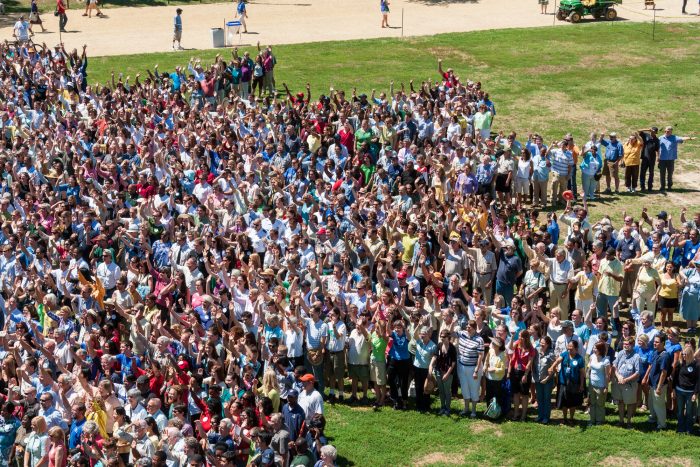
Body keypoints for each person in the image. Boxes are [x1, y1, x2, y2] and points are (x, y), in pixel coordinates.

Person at [549, 340, 585, 425]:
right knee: (564, 401)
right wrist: (552, 367)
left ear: (576, 348)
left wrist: (581, 385)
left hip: (574, 384)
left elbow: (582, 373)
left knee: (572, 402)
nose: (569, 349)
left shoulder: (579, 358)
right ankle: (564, 418)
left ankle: (571, 418)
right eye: (568, 347)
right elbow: (558, 361)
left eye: (571, 348)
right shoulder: (565, 354)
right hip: (563, 382)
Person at [642, 333, 672, 430]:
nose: (654, 344)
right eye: (654, 342)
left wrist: (659, 387)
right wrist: (646, 377)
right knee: (652, 403)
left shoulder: (665, 356)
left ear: (663, 343)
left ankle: (662, 424)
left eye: (657, 342)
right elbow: (650, 365)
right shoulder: (655, 352)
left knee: (659, 405)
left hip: (659, 385)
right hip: (652, 383)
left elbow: (664, 373)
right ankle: (653, 418)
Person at [456, 320, 484, 418]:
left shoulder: (479, 339)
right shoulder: (462, 334)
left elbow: (480, 356)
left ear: (474, 328)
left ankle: (473, 410)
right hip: (462, 366)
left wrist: (476, 370)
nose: (467, 328)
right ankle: (466, 408)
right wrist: (452, 323)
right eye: (467, 326)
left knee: (474, 389)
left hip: (473, 368)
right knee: (464, 388)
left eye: (470, 327)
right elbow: (450, 333)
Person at [612, 336, 641, 427]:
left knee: (629, 403)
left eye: (627, 344)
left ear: (632, 345)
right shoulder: (620, 353)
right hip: (619, 382)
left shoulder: (636, 357)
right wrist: (618, 376)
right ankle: (621, 421)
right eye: (624, 344)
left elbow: (637, 372)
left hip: (630, 384)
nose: (625, 346)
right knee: (620, 402)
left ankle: (629, 422)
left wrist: (626, 380)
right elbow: (614, 366)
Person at [508, 329, 535, 421]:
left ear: (526, 338)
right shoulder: (517, 343)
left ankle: (523, 414)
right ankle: (516, 413)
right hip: (515, 371)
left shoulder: (531, 348)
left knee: (524, 394)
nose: (519, 338)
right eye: (519, 336)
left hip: (525, 372)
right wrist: (512, 337)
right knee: (516, 393)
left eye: (521, 336)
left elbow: (529, 362)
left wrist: (526, 375)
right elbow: (510, 348)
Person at [658, 126, 694, 192]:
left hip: (671, 159)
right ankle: (662, 186)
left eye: (668, 131)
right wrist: (658, 158)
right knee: (662, 173)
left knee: (670, 174)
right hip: (662, 159)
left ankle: (669, 186)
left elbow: (682, 138)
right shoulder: (660, 138)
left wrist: (690, 138)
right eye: (665, 131)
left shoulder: (674, 138)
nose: (666, 132)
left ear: (671, 131)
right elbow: (657, 149)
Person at [673, 345, 699, 434]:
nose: (684, 356)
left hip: (690, 393)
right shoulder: (680, 364)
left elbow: (698, 381)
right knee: (680, 411)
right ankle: (680, 427)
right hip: (679, 391)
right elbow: (675, 378)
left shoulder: (696, 365)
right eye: (683, 354)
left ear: (690, 355)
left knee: (689, 412)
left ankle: (689, 428)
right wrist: (673, 390)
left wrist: (695, 393)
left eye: (686, 354)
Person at [533, 336, 556, 424]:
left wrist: (547, 379)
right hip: (537, 379)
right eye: (541, 342)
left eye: (544, 343)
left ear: (548, 344)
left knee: (546, 399)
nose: (541, 344)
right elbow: (533, 364)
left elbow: (553, 369)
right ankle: (540, 416)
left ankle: (546, 417)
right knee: (539, 398)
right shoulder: (536, 351)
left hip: (547, 380)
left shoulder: (551, 354)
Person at [587, 341, 610, 426]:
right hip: (592, 384)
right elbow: (589, 367)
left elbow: (607, 375)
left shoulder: (606, 360)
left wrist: (606, 387)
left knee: (600, 404)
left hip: (601, 385)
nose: (594, 349)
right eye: (594, 347)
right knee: (592, 403)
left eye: (596, 348)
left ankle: (599, 421)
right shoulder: (592, 357)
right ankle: (592, 420)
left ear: (601, 349)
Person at [679, 259, 700, 335]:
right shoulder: (691, 271)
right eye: (697, 265)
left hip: (698, 296)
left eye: (699, 266)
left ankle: (694, 327)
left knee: (696, 311)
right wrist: (685, 278)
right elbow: (681, 271)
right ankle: (689, 327)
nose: (698, 267)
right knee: (687, 310)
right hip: (687, 295)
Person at [658, 261, 681, 328]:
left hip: (673, 297)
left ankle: (669, 328)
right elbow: (659, 285)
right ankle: (662, 328)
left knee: (670, 314)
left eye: (671, 267)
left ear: (673, 267)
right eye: (667, 266)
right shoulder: (661, 275)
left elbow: (680, 284)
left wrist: (679, 284)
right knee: (663, 314)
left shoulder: (676, 275)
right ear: (665, 267)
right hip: (663, 297)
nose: (669, 268)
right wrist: (656, 295)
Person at [637, 126, 660, 192]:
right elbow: (638, 131)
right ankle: (642, 186)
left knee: (651, 173)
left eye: (654, 132)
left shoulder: (656, 140)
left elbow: (657, 149)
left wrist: (658, 157)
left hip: (652, 158)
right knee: (642, 172)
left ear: (656, 132)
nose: (653, 132)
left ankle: (650, 186)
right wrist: (647, 129)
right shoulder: (646, 135)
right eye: (652, 131)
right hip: (645, 157)